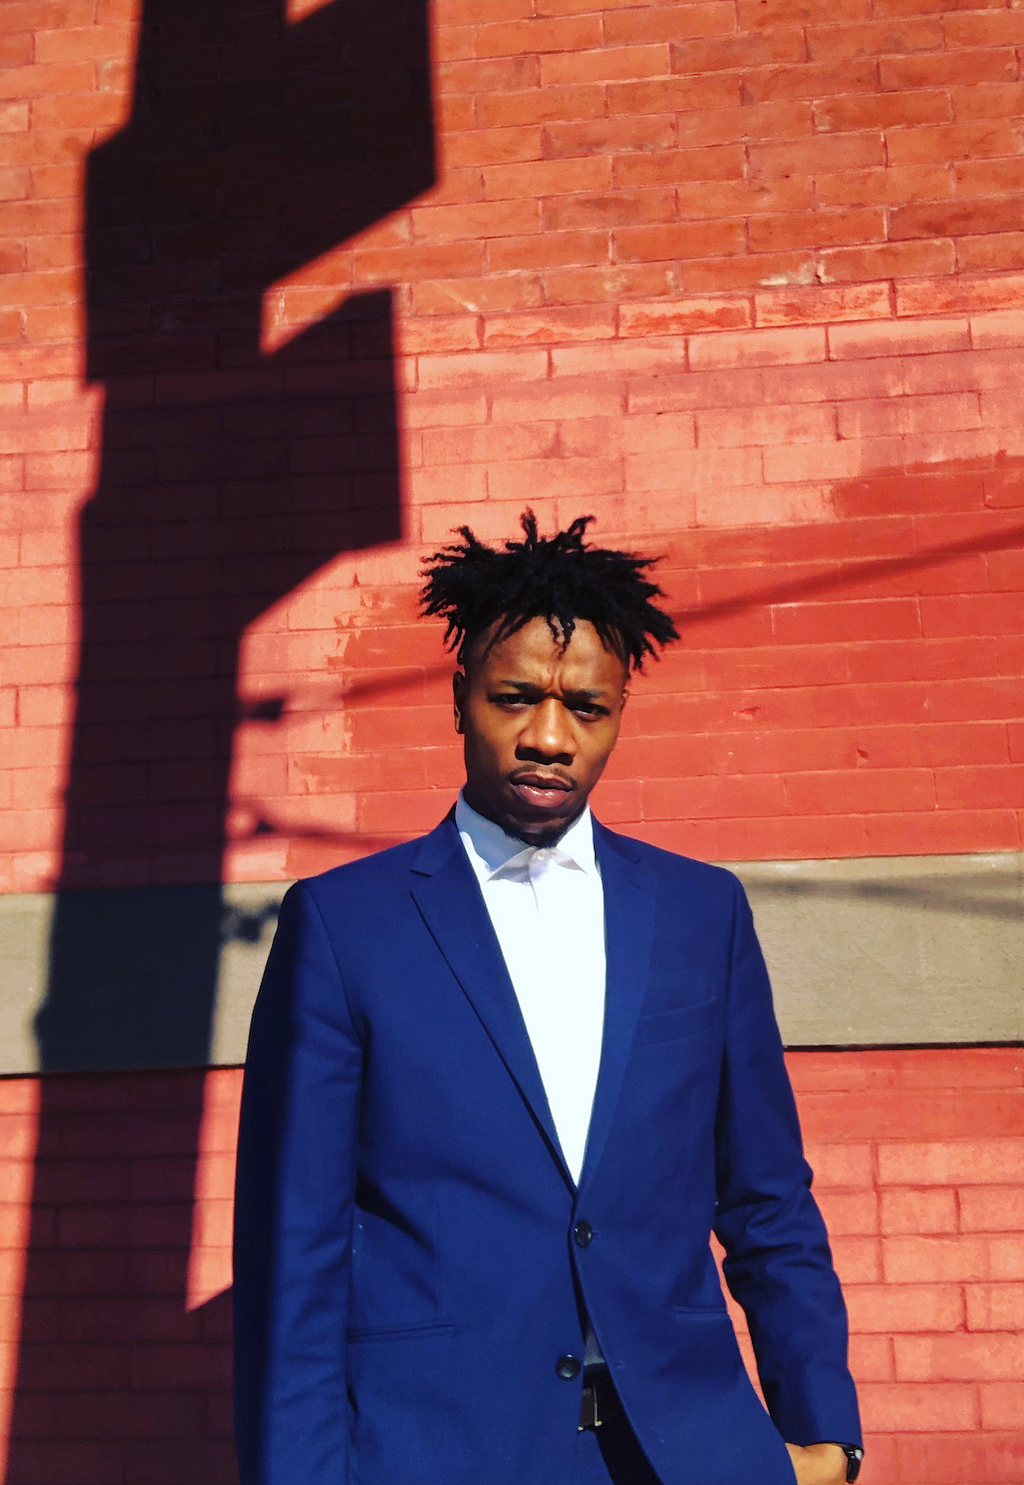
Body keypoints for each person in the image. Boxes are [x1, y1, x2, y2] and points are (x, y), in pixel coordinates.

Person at [232, 512, 863, 1485]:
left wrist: (825, 1436)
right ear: (458, 700)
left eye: (585, 708)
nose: (548, 737)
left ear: (618, 713)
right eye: (515, 697)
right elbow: (293, 1254)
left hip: (688, 1452)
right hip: (438, 1451)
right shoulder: (344, 928)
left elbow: (768, 1199)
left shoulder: (703, 915)